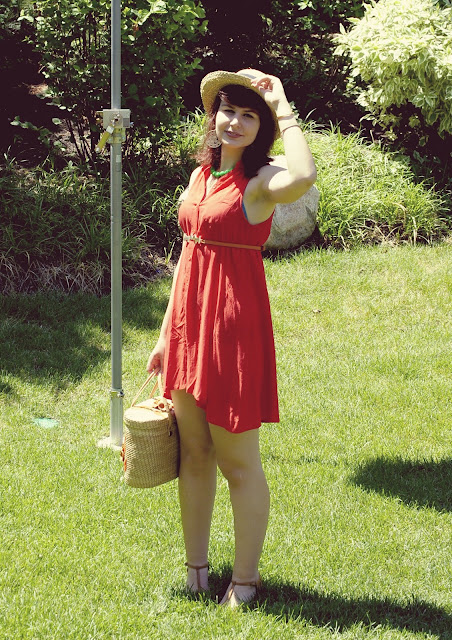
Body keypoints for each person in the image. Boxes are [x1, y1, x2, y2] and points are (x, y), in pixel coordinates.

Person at [146, 69, 316, 607]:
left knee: (238, 464)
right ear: (212, 116)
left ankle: (244, 582)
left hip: (232, 332)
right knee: (194, 453)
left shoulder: (261, 182)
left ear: (262, 126)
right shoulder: (201, 175)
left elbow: (304, 177)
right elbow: (187, 255)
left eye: (249, 115)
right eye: (228, 111)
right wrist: (164, 335)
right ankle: (196, 570)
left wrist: (281, 104)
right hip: (188, 329)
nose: (236, 122)